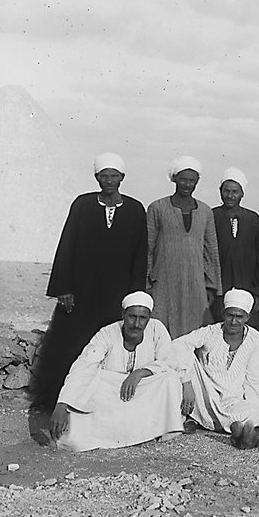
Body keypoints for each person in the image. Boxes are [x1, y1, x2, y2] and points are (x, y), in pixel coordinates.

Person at [37, 153, 148, 408]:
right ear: (97, 177)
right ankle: (61, 400)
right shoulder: (82, 205)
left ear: (122, 178)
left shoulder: (134, 209)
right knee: (71, 345)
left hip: (116, 295)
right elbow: (66, 247)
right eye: (104, 176)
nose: (109, 181)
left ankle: (104, 402)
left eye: (114, 176)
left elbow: (140, 256)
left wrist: (135, 298)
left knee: (110, 347)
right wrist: (63, 288)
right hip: (81, 292)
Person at [49, 292, 183, 451]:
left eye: (143, 318)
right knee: (93, 383)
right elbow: (84, 365)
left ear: (149, 318)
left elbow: (168, 361)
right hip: (111, 394)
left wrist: (140, 373)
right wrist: (63, 402)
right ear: (123, 314)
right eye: (132, 316)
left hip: (143, 391)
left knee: (170, 378)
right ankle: (138, 432)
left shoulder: (156, 329)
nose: (137, 324)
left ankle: (152, 429)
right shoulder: (107, 333)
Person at [146, 156, 222, 338]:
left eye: (192, 181)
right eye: (183, 179)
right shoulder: (157, 208)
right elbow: (148, 248)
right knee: (160, 332)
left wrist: (212, 287)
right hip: (163, 282)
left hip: (195, 284)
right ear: (175, 179)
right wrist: (147, 283)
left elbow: (211, 251)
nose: (187, 185)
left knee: (195, 334)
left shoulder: (205, 211)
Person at [173, 289, 259, 434]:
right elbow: (178, 344)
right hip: (205, 397)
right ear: (223, 314)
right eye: (230, 315)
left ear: (248, 317)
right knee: (186, 356)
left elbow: (254, 380)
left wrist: (255, 409)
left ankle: (210, 422)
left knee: (256, 411)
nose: (234, 322)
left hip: (233, 402)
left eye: (239, 317)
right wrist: (186, 382)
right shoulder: (211, 332)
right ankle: (231, 426)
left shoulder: (255, 339)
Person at [211, 167, 259, 330]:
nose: (230, 196)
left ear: (242, 194)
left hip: (247, 287)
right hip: (218, 289)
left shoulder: (253, 219)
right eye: (226, 191)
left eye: (235, 191)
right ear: (220, 192)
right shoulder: (211, 216)